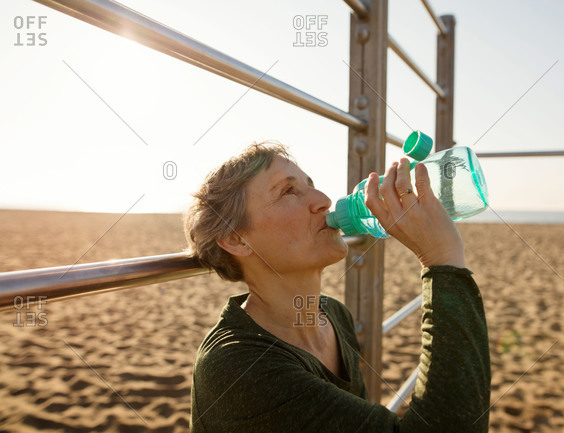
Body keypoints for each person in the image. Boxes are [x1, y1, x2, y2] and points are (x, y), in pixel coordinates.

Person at [185, 142, 491, 432]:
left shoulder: (333, 316)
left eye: (310, 184)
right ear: (237, 239)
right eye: (288, 191)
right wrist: (442, 259)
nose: (323, 200)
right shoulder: (238, 368)